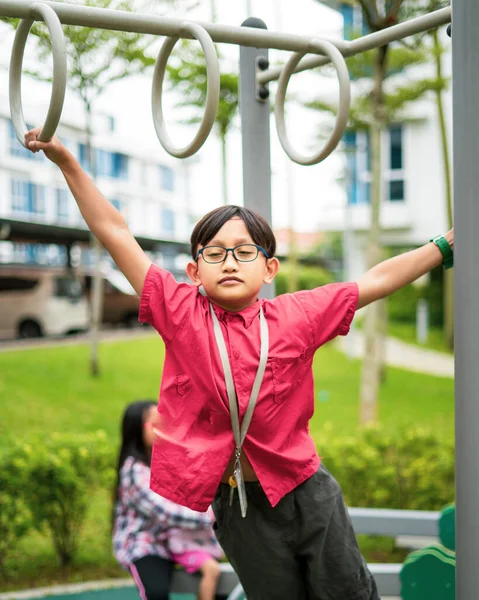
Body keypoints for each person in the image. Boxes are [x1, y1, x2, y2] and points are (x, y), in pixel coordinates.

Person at [27, 129, 454, 600]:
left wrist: (445, 246)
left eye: (245, 250)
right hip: (239, 504)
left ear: (268, 268)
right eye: (214, 252)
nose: (229, 261)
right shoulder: (180, 311)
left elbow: (375, 280)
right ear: (195, 270)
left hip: (307, 493)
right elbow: (115, 232)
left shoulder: (299, 315)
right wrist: (66, 161)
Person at [113, 400, 222, 600]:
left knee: (218, 583)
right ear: (136, 430)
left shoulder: (165, 463)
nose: (163, 431)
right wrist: (211, 516)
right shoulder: (134, 470)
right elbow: (164, 511)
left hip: (175, 541)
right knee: (156, 592)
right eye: (155, 426)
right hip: (144, 543)